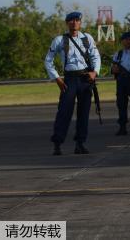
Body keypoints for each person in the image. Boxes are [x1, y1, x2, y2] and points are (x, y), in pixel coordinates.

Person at [44, 11, 101, 155]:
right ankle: (57, 143)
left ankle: (80, 143)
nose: (74, 23)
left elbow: (96, 56)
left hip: (85, 78)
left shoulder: (87, 38)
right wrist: (57, 78)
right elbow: (48, 60)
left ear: (80, 22)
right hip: (69, 79)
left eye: (77, 20)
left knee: (84, 113)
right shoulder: (59, 40)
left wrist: (95, 72)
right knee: (64, 112)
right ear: (67, 23)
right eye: (71, 20)